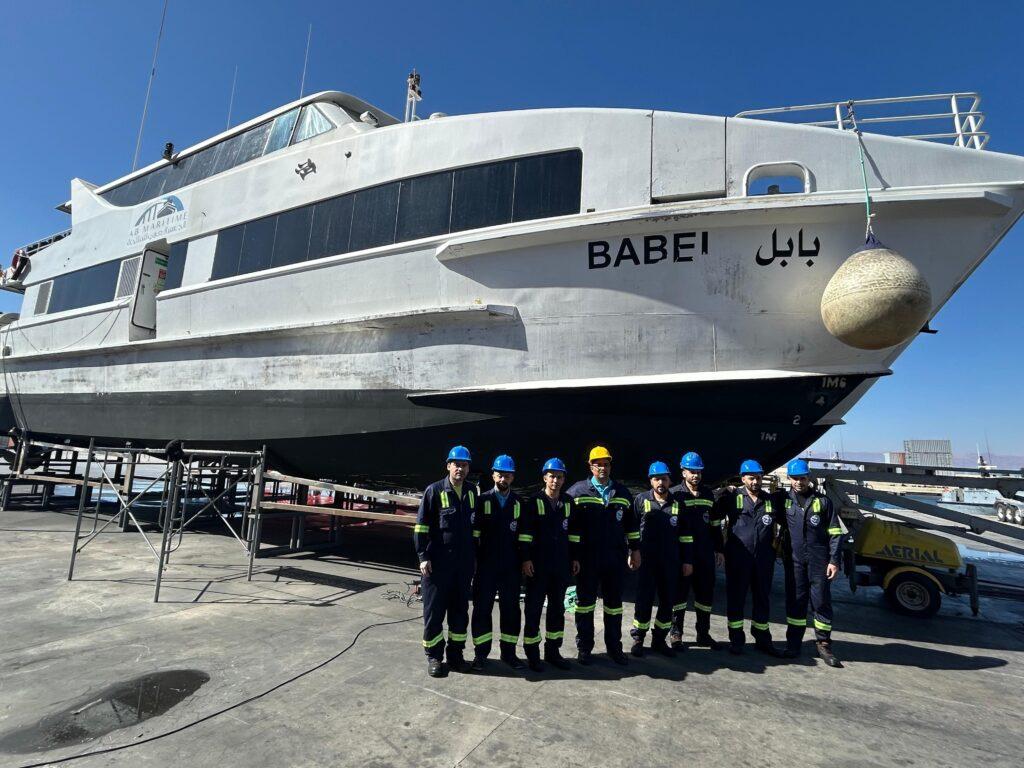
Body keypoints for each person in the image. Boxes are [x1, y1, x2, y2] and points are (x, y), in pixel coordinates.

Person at [566, 446, 640, 665]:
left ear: (610, 466)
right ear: (590, 466)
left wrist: (635, 550)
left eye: (606, 464)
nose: (602, 468)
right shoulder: (577, 492)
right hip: (587, 560)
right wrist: (573, 557)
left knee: (614, 605)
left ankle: (614, 648)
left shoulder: (622, 493)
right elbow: (568, 527)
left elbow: (632, 526)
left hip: (614, 559)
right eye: (597, 464)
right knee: (585, 605)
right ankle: (585, 648)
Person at [414, 445, 478, 677]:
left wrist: (474, 557)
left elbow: (475, 528)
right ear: (448, 466)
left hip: (462, 566)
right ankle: (433, 657)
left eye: (464, 465)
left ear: (468, 467)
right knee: (434, 613)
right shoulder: (434, 491)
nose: (460, 468)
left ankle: (456, 656)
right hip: (438, 565)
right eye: (456, 464)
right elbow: (421, 527)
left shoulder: (472, 492)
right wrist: (423, 556)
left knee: (460, 612)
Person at [779, 459, 844, 667]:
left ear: (809, 478)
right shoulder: (784, 500)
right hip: (795, 561)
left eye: (803, 478)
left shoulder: (823, 502)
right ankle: (793, 644)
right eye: (795, 478)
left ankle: (824, 644)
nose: (799, 482)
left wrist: (834, 560)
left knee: (821, 602)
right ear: (789, 479)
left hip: (819, 561)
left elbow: (835, 533)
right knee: (796, 602)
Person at [519, 458, 581, 671]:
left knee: (557, 611)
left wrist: (574, 558)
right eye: (552, 476)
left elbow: (573, 534)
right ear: (544, 477)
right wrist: (526, 559)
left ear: (564, 479)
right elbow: (525, 535)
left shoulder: (568, 503)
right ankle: (532, 654)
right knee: (533, 611)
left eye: (559, 476)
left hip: (560, 567)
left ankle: (553, 651)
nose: (555, 480)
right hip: (537, 567)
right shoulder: (533, 502)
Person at [630, 461, 693, 657]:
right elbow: (631, 530)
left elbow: (686, 536)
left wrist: (687, 561)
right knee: (644, 600)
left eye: (664, 479)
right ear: (651, 481)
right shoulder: (641, 500)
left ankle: (659, 639)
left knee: (667, 601)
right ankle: (639, 638)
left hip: (670, 562)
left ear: (669, 481)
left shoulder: (678, 504)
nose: (660, 483)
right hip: (647, 561)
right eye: (656, 479)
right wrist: (632, 552)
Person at [470, 454, 527, 671]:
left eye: (508, 475)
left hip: (511, 567)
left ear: (513, 477)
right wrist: (474, 561)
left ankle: (509, 653)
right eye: (500, 474)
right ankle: (481, 655)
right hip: (486, 566)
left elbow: (524, 536)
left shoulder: (519, 503)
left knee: (511, 610)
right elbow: (474, 535)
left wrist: (524, 561)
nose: (503, 478)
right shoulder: (482, 500)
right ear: (493, 474)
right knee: (482, 609)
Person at [722, 460, 783, 657]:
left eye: (758, 477)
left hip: (763, 558)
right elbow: (713, 516)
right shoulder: (733, 497)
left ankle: (762, 637)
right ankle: (736, 639)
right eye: (751, 478)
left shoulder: (769, 500)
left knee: (762, 598)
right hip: (739, 557)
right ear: (743, 479)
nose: (756, 481)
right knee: (737, 598)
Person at [670, 451, 726, 650]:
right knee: (679, 595)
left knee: (705, 596)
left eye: (699, 472)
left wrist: (719, 549)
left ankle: (703, 633)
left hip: (704, 553)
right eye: (692, 471)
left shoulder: (709, 494)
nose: (696, 475)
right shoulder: (675, 494)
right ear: (683, 472)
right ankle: (676, 633)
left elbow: (715, 525)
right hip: (682, 554)